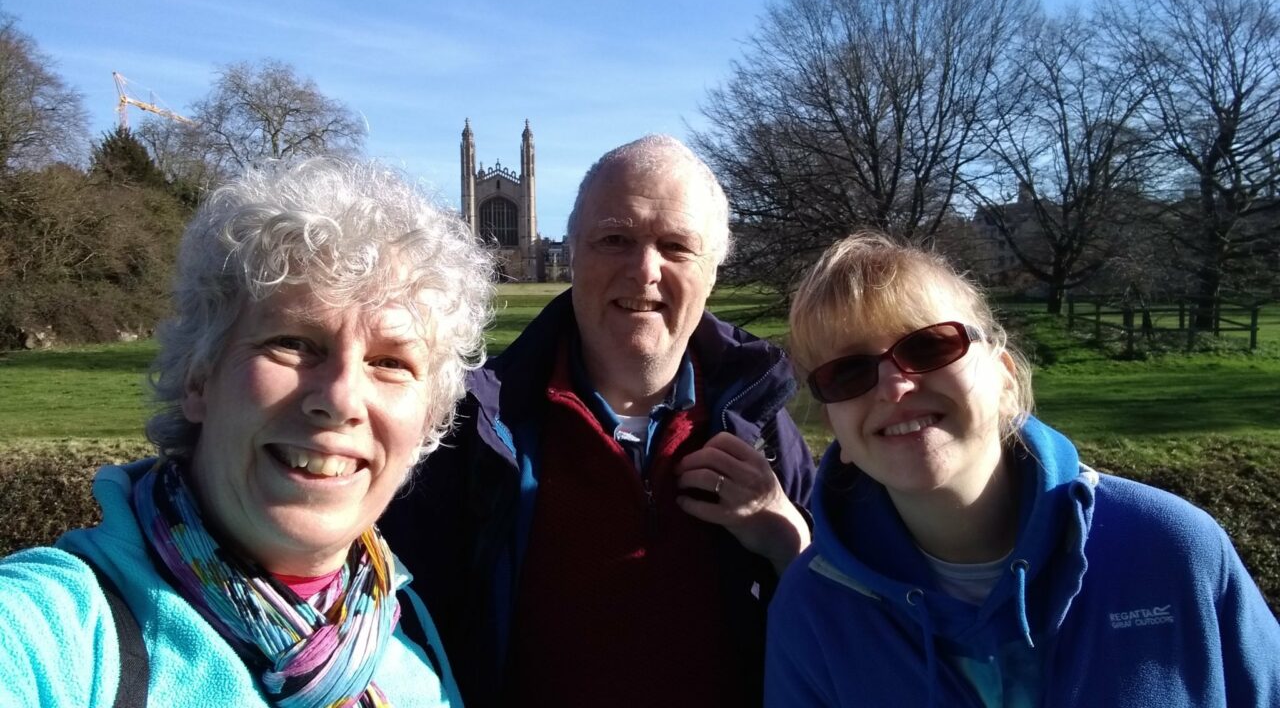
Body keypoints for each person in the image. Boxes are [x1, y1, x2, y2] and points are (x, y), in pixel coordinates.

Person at [0, 159, 494, 706]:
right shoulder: (52, 633)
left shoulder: (404, 623)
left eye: (390, 362)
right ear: (198, 377)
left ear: (429, 417)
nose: (341, 399)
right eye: (295, 343)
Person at [381, 134, 816, 707]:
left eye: (677, 246)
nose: (644, 270)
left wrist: (791, 541)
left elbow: (853, 632)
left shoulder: (761, 422)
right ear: (573, 253)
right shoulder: (476, 426)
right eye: (615, 239)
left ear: (713, 268)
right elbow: (403, 628)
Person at [766, 232, 1280, 707]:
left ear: (1005, 379)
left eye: (928, 345)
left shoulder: (1172, 548)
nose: (894, 386)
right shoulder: (814, 611)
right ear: (837, 431)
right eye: (848, 371)